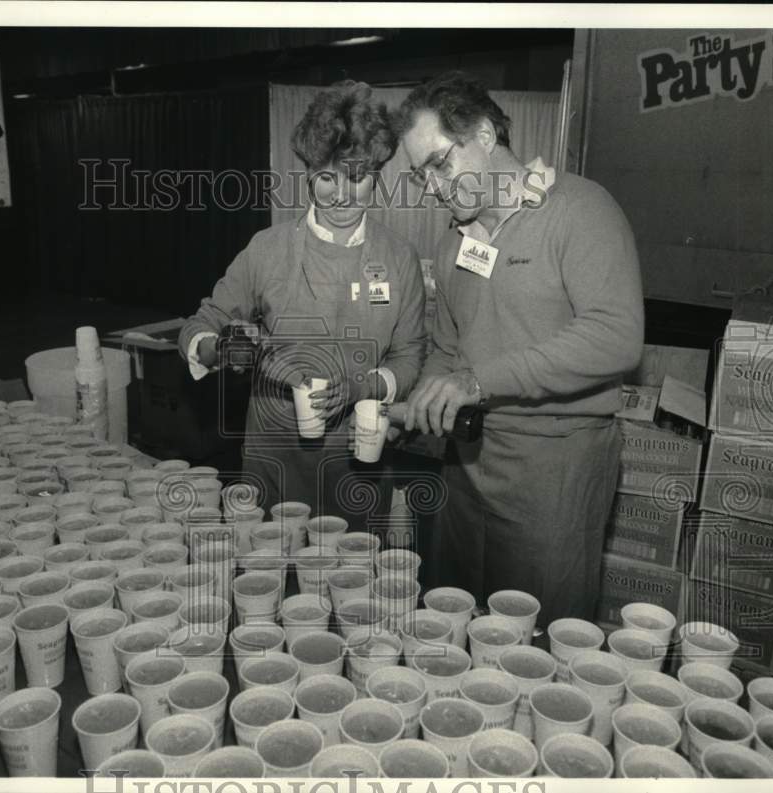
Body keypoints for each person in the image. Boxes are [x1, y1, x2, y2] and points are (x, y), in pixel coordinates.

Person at [394, 72, 644, 628]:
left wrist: (477, 381)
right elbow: (447, 349)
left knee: (537, 635)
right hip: (467, 466)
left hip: (555, 468)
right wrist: (419, 403)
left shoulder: (579, 209)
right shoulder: (451, 243)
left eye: (439, 164)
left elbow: (616, 334)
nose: (433, 187)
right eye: (420, 176)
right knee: (457, 624)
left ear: (484, 134)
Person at [179, 81, 426, 531]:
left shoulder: (399, 258)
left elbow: (410, 356)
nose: (340, 195)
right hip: (271, 455)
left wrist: (362, 386)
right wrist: (224, 348)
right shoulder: (268, 249)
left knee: (352, 587)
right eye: (326, 177)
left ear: (378, 174)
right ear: (309, 173)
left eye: (357, 177)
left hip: (359, 459)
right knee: (268, 577)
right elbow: (200, 325)